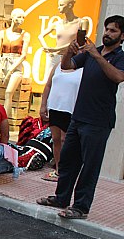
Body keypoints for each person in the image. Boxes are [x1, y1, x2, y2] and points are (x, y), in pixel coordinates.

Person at [37, 15, 124, 220]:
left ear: (122, 35)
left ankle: (81, 207)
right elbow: (67, 67)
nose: (107, 33)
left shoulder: (118, 56)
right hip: (79, 115)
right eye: (107, 29)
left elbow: (118, 77)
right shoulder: (93, 52)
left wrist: (96, 55)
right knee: (68, 160)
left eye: (113, 31)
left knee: (89, 166)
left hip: (98, 120)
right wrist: (69, 51)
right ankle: (61, 197)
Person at [39, 52, 83, 182]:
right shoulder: (58, 66)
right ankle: (58, 170)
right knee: (56, 139)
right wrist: (43, 105)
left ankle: (66, 171)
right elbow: (48, 85)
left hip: (70, 109)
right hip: (54, 107)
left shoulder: (82, 69)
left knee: (65, 140)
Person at [0, 8, 31, 114]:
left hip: (16, 66)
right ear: (13, 17)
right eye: (19, 17)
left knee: (9, 92)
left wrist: (10, 71)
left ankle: (4, 121)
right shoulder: (3, 33)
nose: (22, 19)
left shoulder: (25, 35)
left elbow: (23, 55)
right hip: (2, 63)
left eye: (23, 17)